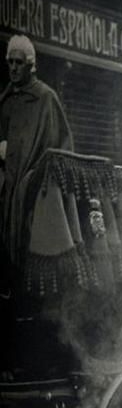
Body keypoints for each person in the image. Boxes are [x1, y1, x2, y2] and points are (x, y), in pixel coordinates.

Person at [0, 35, 73, 267]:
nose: (13, 67)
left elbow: (60, 148)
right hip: (6, 191)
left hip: (35, 194)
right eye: (10, 62)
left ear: (30, 65)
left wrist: (35, 179)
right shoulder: (6, 100)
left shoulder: (45, 98)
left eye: (19, 62)